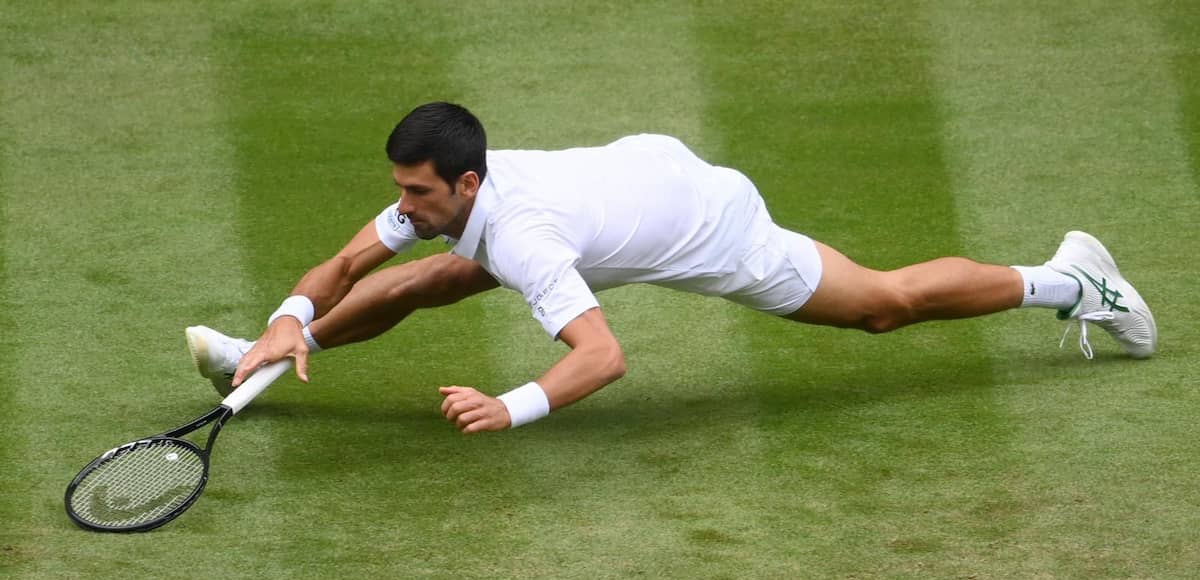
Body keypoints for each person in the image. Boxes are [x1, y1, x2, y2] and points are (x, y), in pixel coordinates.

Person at [186, 102, 1156, 434]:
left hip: (708, 225)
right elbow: (354, 259)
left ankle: (1075, 279)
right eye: (400, 191)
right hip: (633, 179)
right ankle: (267, 356)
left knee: (883, 306)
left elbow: (601, 357)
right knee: (428, 273)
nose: (404, 207)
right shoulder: (450, 197)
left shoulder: (519, 233)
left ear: (467, 182)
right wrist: (287, 314)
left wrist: (509, 403)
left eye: (419, 194)